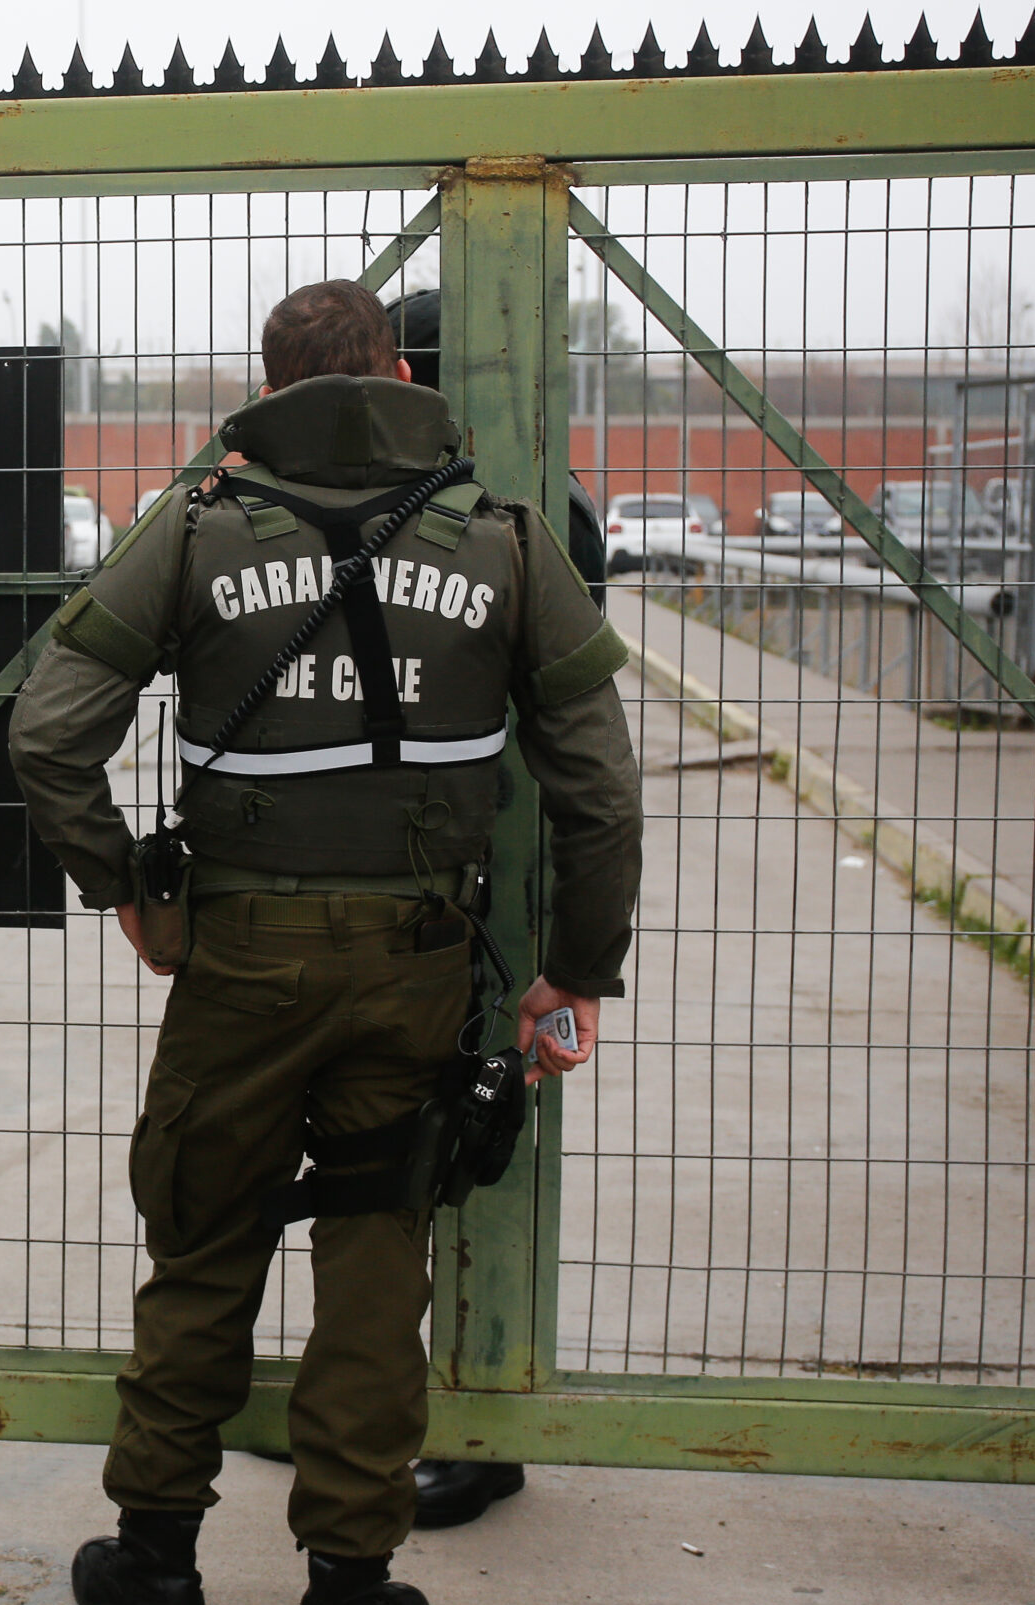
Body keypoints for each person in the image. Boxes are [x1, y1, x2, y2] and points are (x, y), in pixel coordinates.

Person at [8, 280, 641, 1605]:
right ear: (399, 374)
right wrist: (575, 969)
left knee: (202, 1236)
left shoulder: (193, 529)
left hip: (236, 961)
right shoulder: (506, 540)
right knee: (374, 1261)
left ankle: (158, 1570)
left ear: (269, 388)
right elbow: (598, 788)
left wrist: (128, 890)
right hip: (418, 967)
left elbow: (47, 736)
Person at [375, 286, 609, 1531]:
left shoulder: (515, 512)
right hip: (455, 852)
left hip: (496, 861)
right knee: (407, 1131)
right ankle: (385, 1408)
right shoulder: (492, 500)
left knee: (464, 1136)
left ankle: (477, 1426)